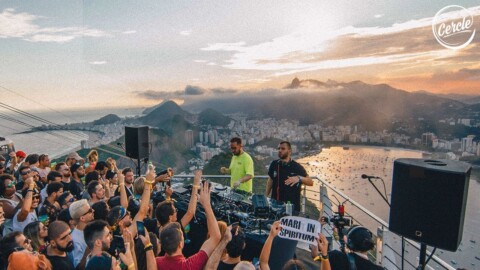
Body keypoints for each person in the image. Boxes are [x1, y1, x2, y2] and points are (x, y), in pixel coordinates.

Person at [155, 181, 221, 270]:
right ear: (180, 244)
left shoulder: (155, 262)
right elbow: (215, 237)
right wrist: (207, 205)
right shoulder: (189, 266)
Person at [265, 141, 313, 212]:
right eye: (279, 149)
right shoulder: (274, 164)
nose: (280, 150)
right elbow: (270, 181)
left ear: (289, 151)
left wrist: (299, 178)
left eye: (283, 149)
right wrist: (265, 197)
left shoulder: (296, 167)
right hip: (275, 206)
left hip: (292, 208)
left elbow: (310, 182)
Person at [68, 199, 95, 269]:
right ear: (82, 218)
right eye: (90, 210)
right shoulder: (75, 240)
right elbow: (79, 267)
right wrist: (87, 252)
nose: (93, 211)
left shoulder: (90, 229)